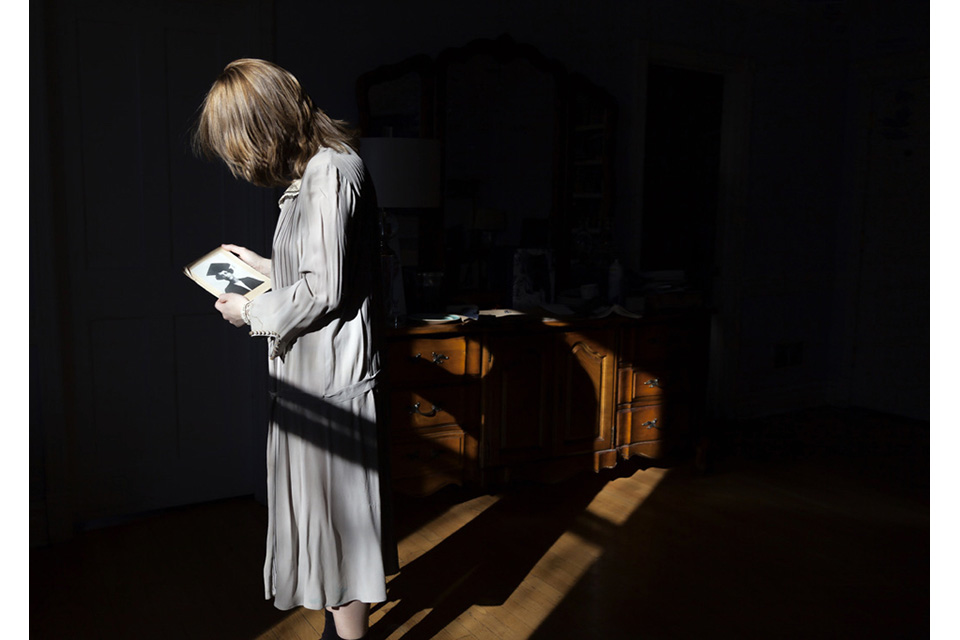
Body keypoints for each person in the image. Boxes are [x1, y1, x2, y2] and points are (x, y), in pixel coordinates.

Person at [192, 58, 396, 640]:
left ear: (266, 124)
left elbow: (325, 288)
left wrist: (250, 310)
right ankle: (340, 631)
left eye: (239, 142)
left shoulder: (331, 171)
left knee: (340, 527)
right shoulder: (312, 176)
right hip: (312, 380)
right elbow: (316, 270)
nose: (239, 160)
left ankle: (348, 638)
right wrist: (261, 267)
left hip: (334, 385)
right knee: (325, 524)